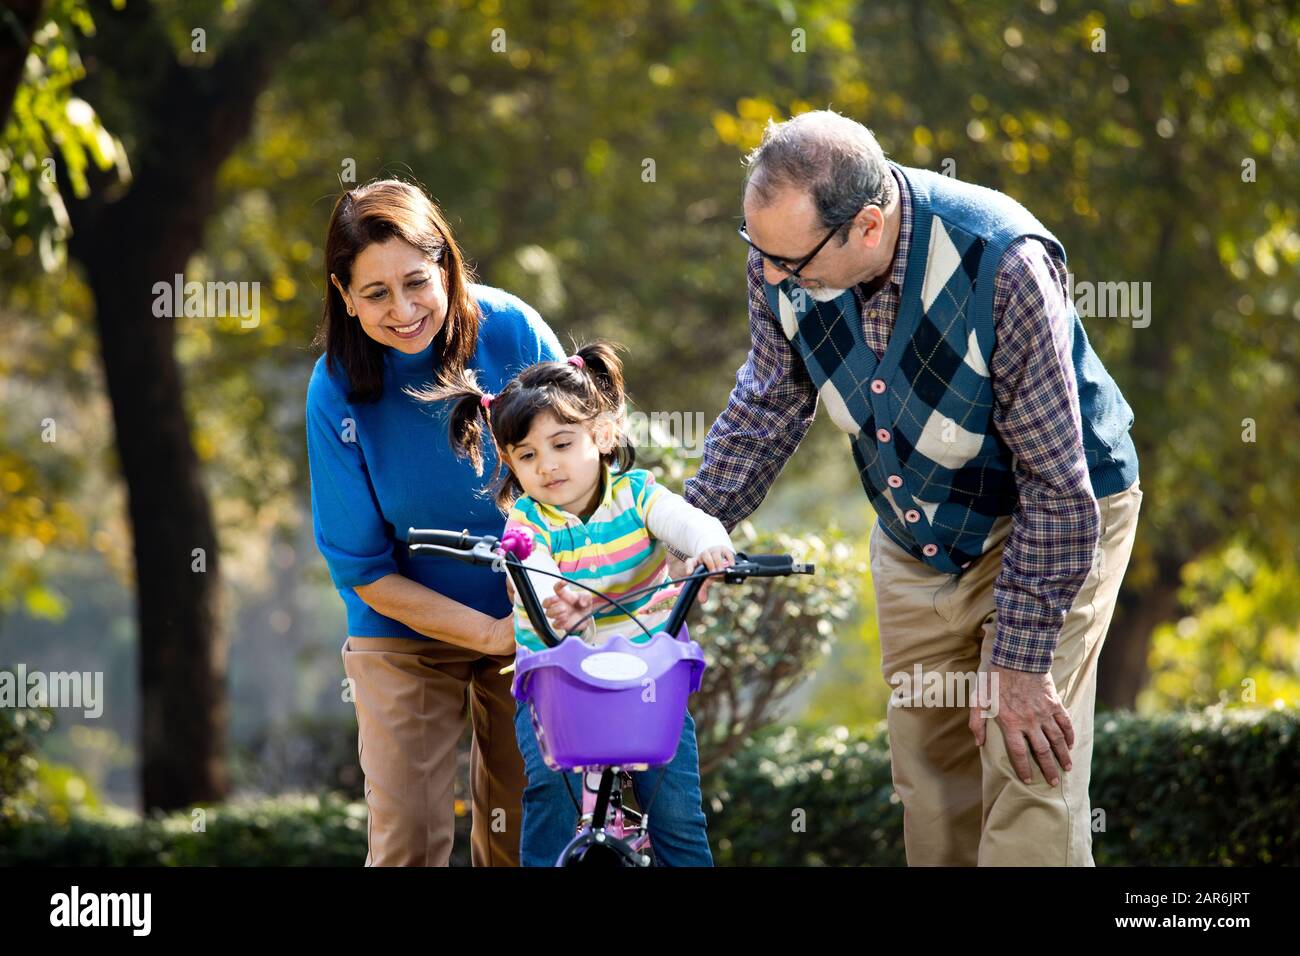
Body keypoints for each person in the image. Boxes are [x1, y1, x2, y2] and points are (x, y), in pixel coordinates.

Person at [682, 110, 1142, 866]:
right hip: (916, 522)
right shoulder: (782, 251)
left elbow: (1058, 487)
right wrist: (689, 527)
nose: (769, 277)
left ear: (867, 225)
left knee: (1023, 748)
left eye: (788, 264)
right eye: (756, 252)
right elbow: (768, 402)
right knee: (929, 768)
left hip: (1052, 516)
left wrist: (1020, 662)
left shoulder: (1004, 264)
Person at [306, 178, 563, 865]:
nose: (403, 310)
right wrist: (485, 633)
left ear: (446, 265)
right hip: (402, 627)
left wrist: (530, 625)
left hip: (529, 614)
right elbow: (363, 569)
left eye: (417, 282)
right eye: (375, 293)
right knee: (408, 841)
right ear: (343, 296)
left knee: (522, 833)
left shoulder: (513, 331)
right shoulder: (335, 389)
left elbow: (580, 479)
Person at [426, 341, 731, 866]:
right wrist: (553, 604)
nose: (547, 466)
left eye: (562, 444)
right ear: (510, 464)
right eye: (527, 455)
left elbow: (684, 519)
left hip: (646, 680)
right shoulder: (529, 520)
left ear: (604, 433)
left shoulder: (637, 495)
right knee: (548, 792)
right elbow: (534, 565)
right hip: (558, 685)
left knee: (678, 809)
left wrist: (708, 544)